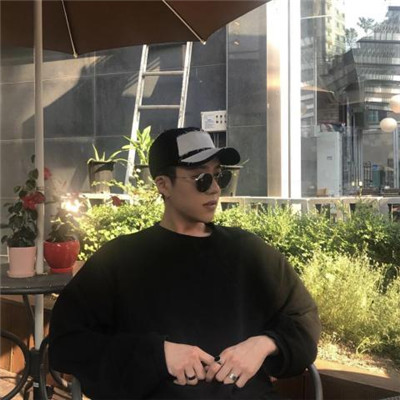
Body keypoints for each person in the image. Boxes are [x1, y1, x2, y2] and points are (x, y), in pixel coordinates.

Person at [49, 127, 321, 399]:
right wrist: (158, 355)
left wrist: (264, 344)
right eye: (201, 178)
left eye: (219, 176)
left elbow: (304, 320)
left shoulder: (249, 252)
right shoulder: (120, 259)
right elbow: (67, 341)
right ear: (163, 185)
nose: (215, 188)